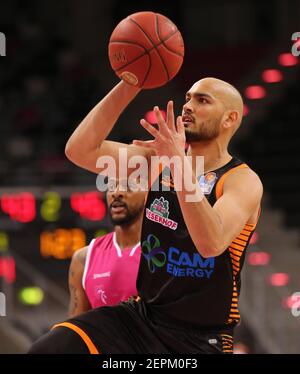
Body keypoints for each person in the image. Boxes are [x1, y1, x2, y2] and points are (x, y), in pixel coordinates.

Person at [29, 77, 263, 354]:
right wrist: (131, 83)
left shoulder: (242, 181)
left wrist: (177, 164)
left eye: (202, 100)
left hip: (200, 338)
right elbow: (79, 150)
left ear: (229, 119)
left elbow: (209, 244)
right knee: (50, 349)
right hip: (142, 319)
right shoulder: (156, 162)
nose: (188, 106)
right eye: (188, 97)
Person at [68, 178, 145, 317]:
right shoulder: (83, 258)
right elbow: (76, 328)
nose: (116, 193)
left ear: (148, 195)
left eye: (129, 186)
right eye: (111, 187)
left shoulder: (165, 252)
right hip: (103, 338)